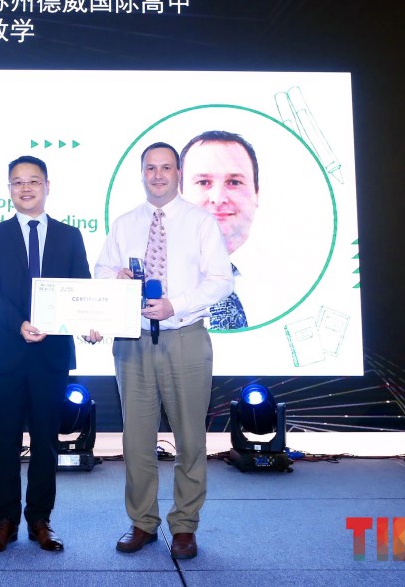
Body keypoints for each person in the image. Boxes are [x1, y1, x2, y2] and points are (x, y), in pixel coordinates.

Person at [94, 142, 233, 559]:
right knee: (137, 441)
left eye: (166, 168)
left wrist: (177, 304)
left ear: (178, 174)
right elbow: (101, 272)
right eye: (150, 168)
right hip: (132, 341)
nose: (158, 175)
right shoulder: (124, 224)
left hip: (184, 337)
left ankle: (185, 526)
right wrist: (115, 279)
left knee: (190, 439)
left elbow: (221, 280)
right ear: (142, 174)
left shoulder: (200, 222)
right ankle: (143, 523)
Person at [0, 155, 92, 554]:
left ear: (47, 186)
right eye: (17, 182)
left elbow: (82, 288)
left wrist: (90, 322)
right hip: (6, 351)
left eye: (33, 181)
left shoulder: (69, 236)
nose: (25, 188)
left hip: (51, 355)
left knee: (46, 441)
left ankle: (40, 519)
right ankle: (4, 520)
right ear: (9, 189)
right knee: (4, 440)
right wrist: (19, 323)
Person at [179, 131, 260, 330]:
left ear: (257, 193)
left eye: (234, 182)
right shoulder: (147, 280)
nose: (218, 198)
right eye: (203, 182)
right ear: (179, 194)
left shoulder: (294, 282)